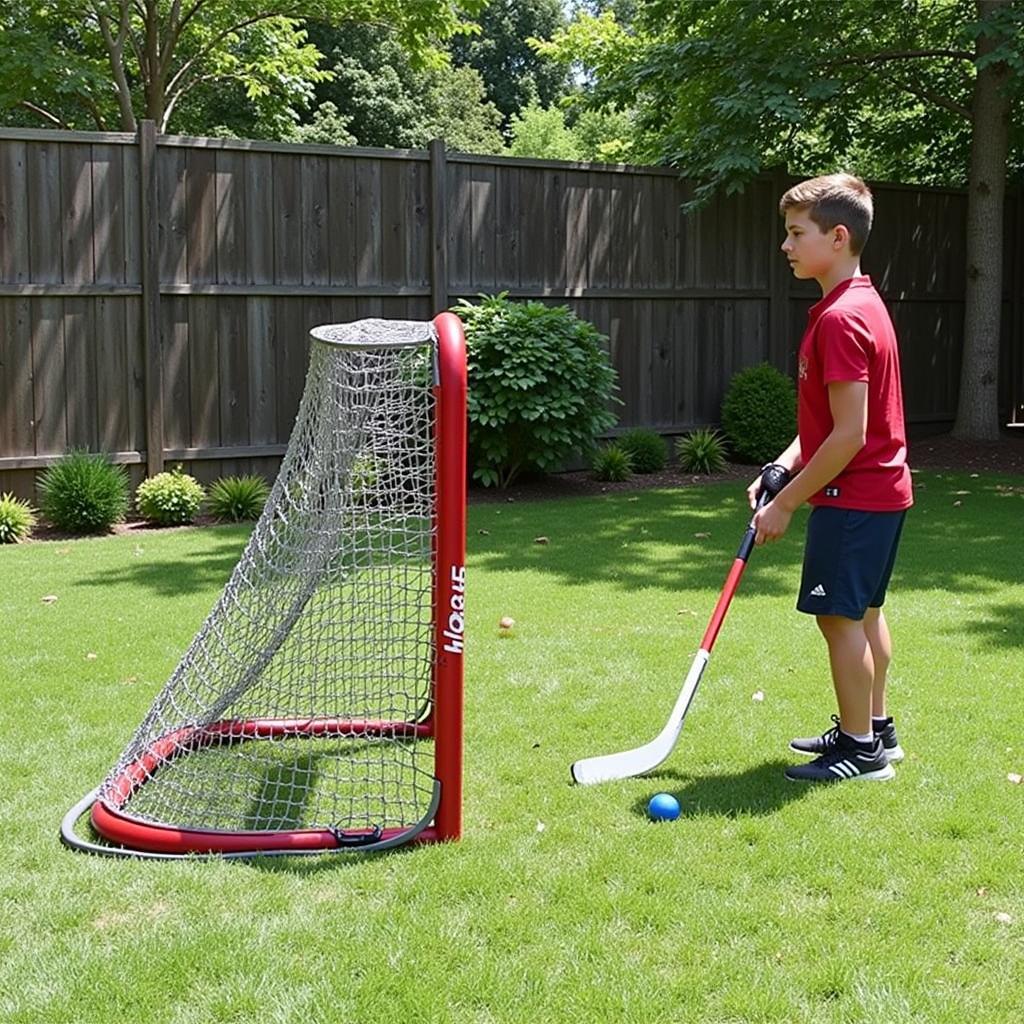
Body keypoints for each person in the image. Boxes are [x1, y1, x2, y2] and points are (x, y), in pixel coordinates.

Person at [748, 173, 913, 783]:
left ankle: (861, 753)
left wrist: (785, 505)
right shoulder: (859, 304)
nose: (786, 246)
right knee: (866, 612)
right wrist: (784, 465)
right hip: (882, 494)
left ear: (838, 237)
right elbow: (829, 427)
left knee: (839, 619)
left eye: (796, 234)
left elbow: (849, 436)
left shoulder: (841, 320)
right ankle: (873, 730)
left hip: (855, 496)